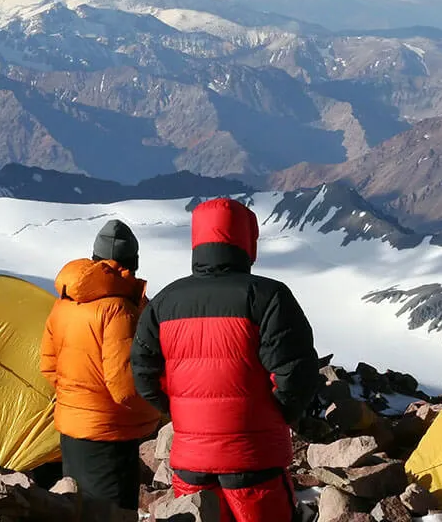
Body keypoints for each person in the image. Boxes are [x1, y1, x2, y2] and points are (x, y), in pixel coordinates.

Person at [131, 198, 320, 522]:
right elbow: (296, 370)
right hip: (254, 460)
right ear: (248, 241)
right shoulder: (269, 296)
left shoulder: (164, 302)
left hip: (190, 463)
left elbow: (144, 372)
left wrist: (181, 409)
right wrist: (278, 414)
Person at [40, 219, 161, 511]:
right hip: (110, 435)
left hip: (72, 431)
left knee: (79, 510)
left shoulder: (66, 302)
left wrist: (78, 402)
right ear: (132, 263)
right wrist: (160, 409)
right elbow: (126, 388)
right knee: (112, 513)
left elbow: (48, 366)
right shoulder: (118, 309)